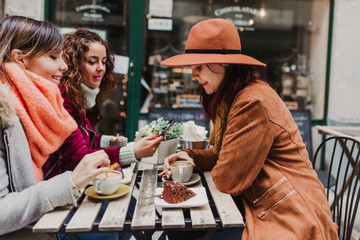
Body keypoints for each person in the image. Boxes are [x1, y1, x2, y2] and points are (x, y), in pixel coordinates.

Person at [159, 18, 338, 239]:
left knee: (183, 229)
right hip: (259, 203)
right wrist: (189, 156)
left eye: (198, 66)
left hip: (289, 214)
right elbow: (229, 158)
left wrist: (206, 161)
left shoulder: (252, 102)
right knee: (179, 230)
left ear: (224, 63)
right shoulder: (235, 97)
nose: (193, 74)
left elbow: (228, 179)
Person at [0, 16, 112, 239]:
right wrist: (69, 183)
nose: (63, 65)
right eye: (53, 57)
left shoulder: (36, 108)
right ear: (19, 59)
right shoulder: (6, 113)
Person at [43, 28, 163, 179]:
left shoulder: (78, 96)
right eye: (92, 61)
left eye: (104, 62)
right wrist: (133, 151)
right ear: (73, 64)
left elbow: (83, 140)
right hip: (59, 190)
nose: (101, 68)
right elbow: (78, 157)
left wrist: (113, 141)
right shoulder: (62, 99)